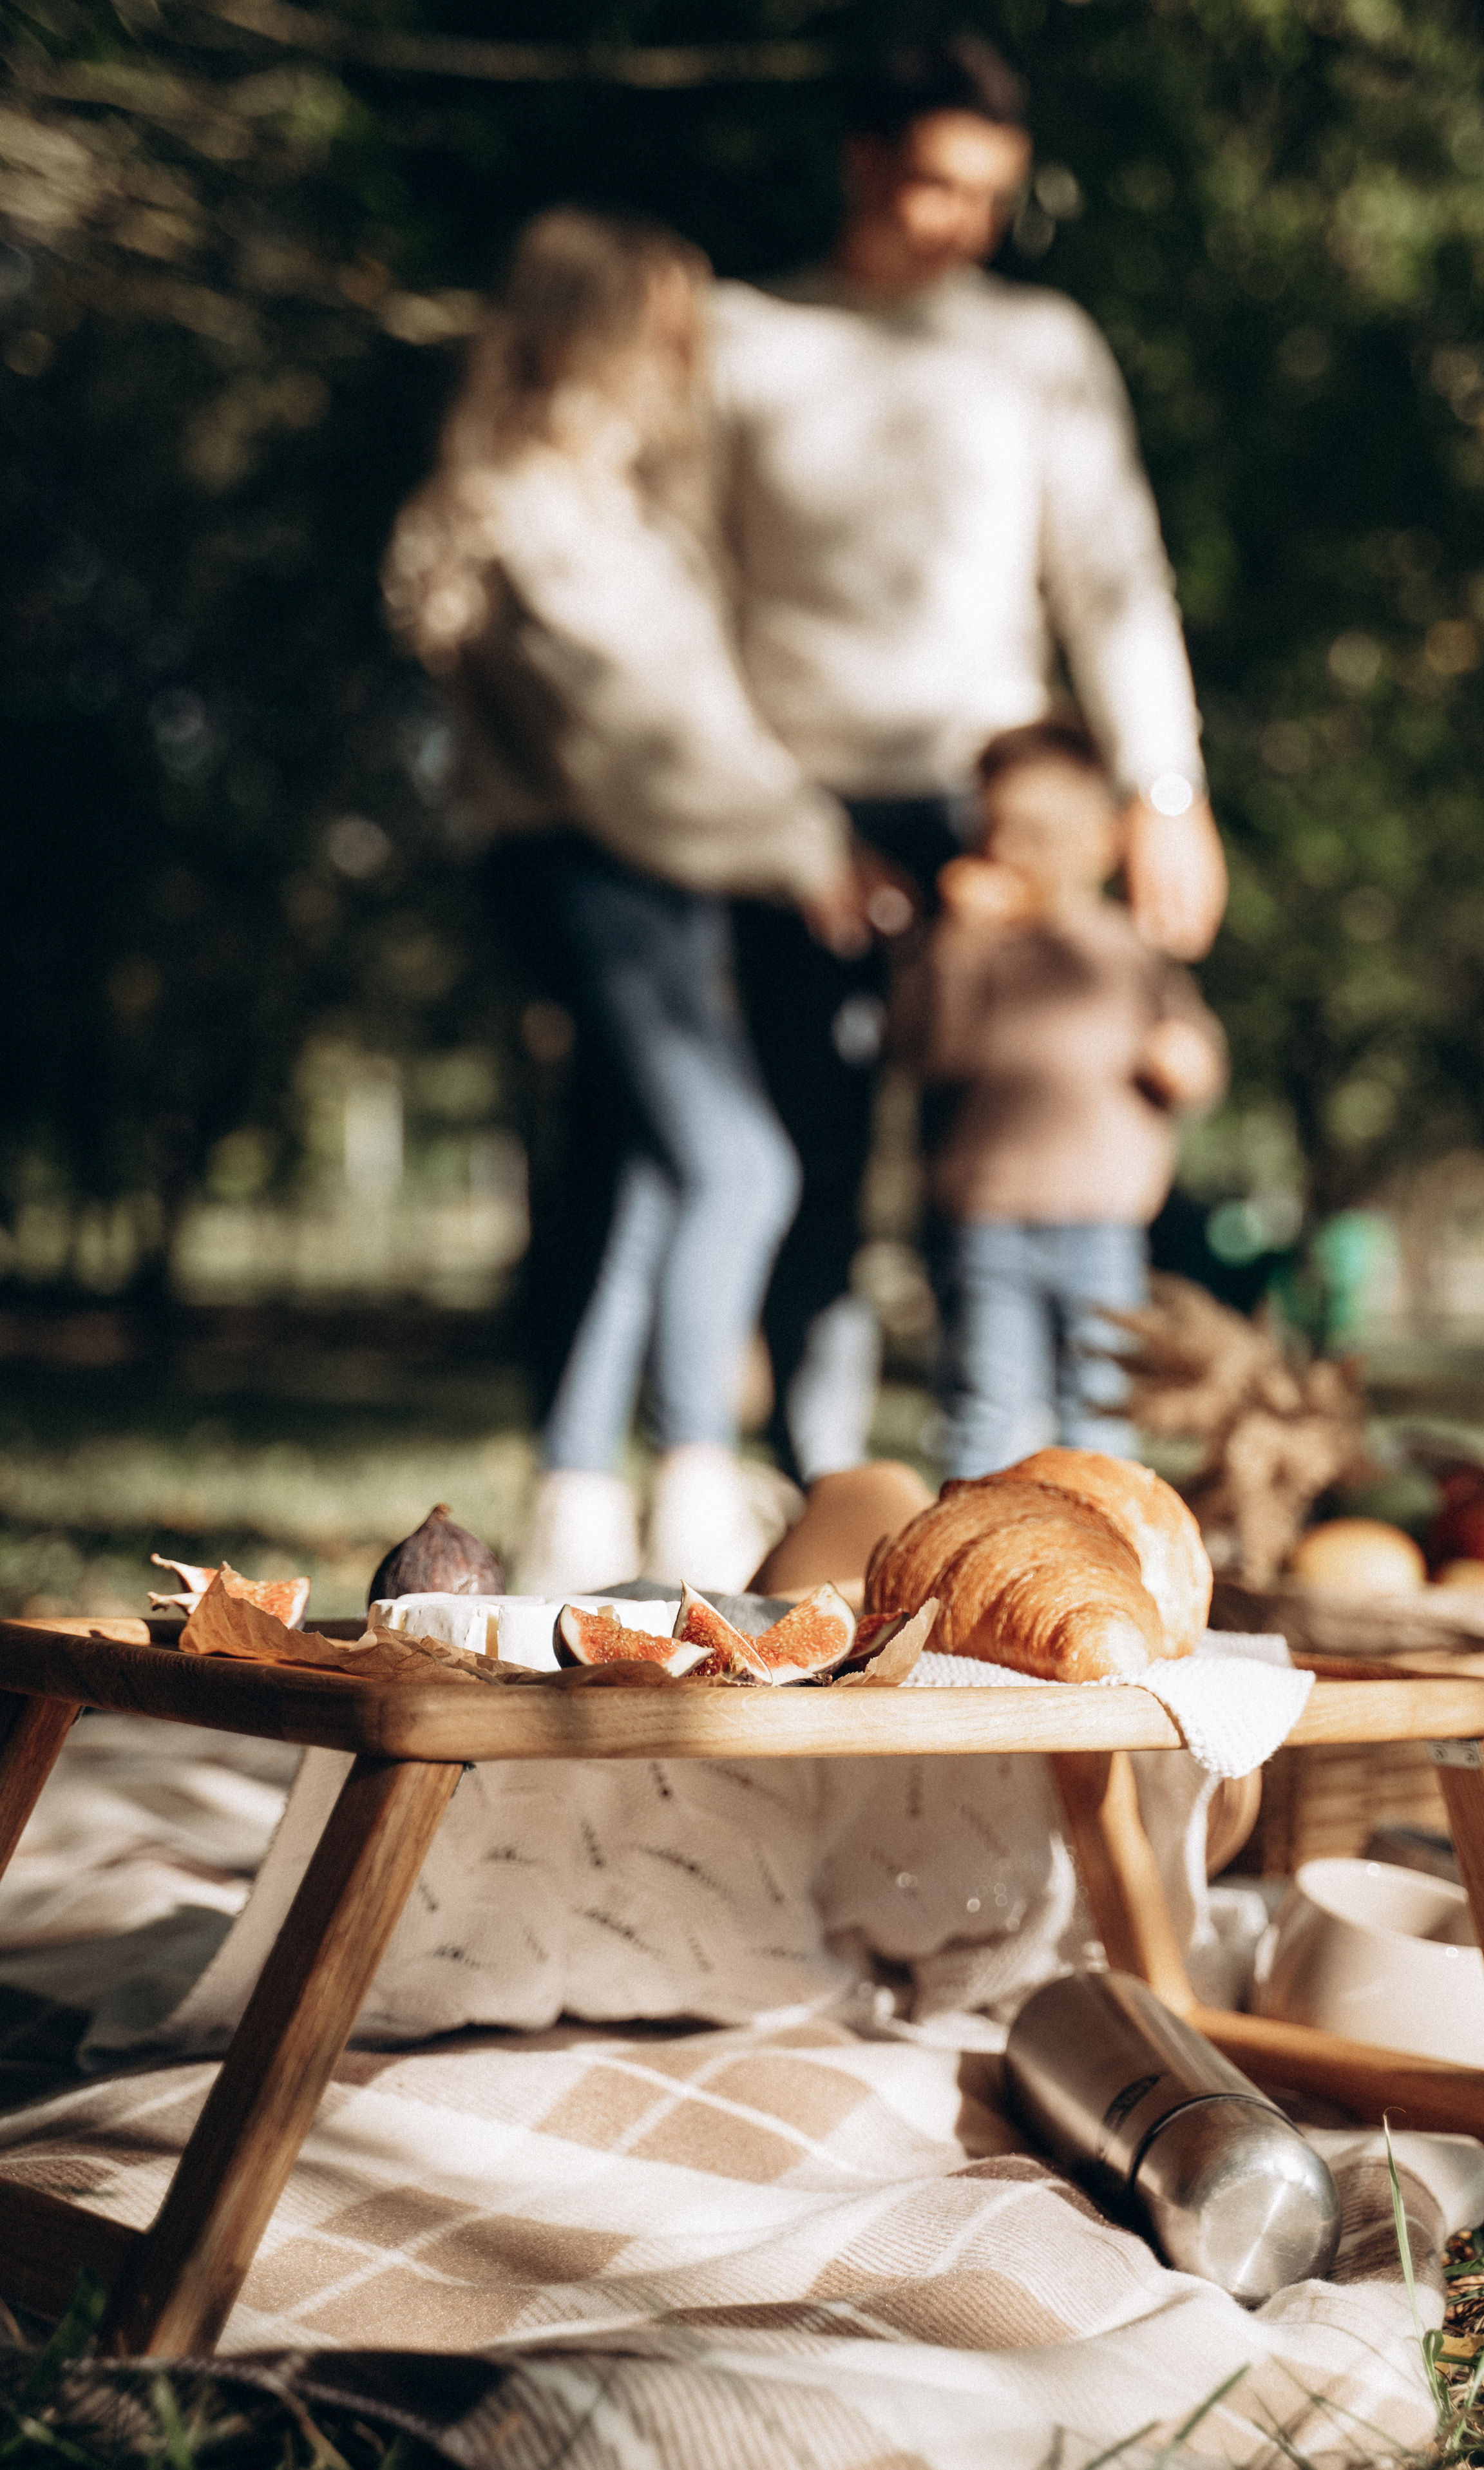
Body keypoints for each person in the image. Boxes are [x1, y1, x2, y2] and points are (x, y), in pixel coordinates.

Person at [711, 35, 1228, 1482]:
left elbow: (1111, 577)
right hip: (793, 823)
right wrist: (757, 813)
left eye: (992, 197)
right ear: (862, 162)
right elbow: (691, 600)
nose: (964, 225)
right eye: (937, 185)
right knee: (796, 1161)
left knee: (1013, 1155)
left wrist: (1162, 787)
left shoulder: (1037, 348)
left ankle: (1026, 1485)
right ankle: (806, 1480)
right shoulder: (744, 337)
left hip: (984, 806)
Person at [384, 209, 868, 1593]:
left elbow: (698, 706)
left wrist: (796, 826)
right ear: (594, 337)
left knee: (648, 1183)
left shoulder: (606, 500)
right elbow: (630, 739)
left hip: (647, 876)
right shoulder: (525, 508)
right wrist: (802, 845)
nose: (684, 364)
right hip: (599, 871)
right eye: (662, 335)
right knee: (740, 1164)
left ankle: (578, 1496)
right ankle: (695, 1483)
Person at [889, 718, 1227, 1479]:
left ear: (1100, 842)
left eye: (1037, 833)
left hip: (1104, 1228)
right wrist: (953, 947)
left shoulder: (1128, 950)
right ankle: (964, 1561)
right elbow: (929, 1052)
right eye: (995, 832)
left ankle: (1105, 1559)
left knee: (1101, 1407)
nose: (1011, 852)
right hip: (991, 1225)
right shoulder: (972, 950)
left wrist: (1189, 1063)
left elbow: (1193, 1047)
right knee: (985, 1400)